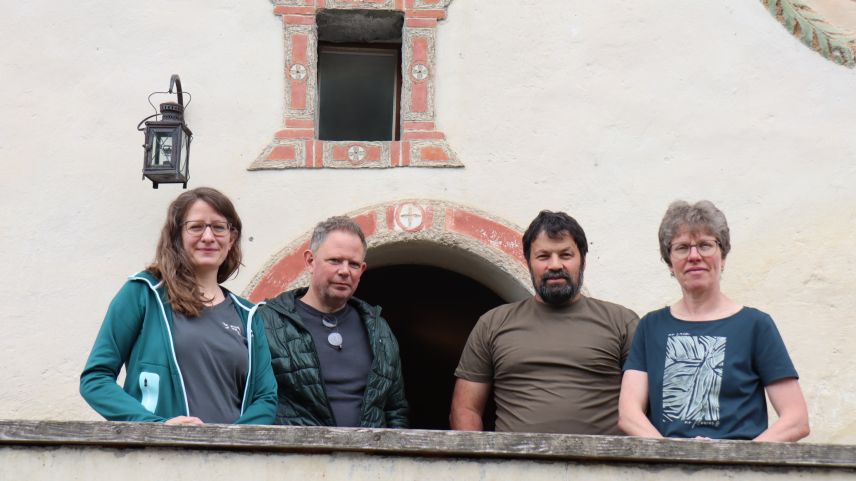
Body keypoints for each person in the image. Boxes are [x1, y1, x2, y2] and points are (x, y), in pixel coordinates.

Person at [80, 187, 277, 425]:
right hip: (159, 454)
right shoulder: (144, 293)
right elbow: (96, 379)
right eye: (196, 227)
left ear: (231, 238)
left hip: (228, 459)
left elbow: (265, 399)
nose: (208, 237)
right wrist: (154, 427)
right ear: (176, 236)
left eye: (218, 227)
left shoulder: (248, 316)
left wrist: (228, 442)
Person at [618, 200, 810, 441]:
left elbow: (796, 419)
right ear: (669, 263)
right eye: (682, 248)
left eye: (705, 245)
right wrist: (672, 454)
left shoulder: (755, 325)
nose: (694, 256)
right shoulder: (651, 326)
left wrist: (736, 459)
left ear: (723, 257)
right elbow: (629, 414)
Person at [450, 210, 639, 434]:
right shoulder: (493, 323)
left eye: (566, 255)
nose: (555, 265)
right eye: (543, 256)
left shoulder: (622, 322)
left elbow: (650, 404)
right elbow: (465, 410)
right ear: (528, 263)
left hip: (603, 467)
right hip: (515, 466)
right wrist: (480, 466)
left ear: (583, 262)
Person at [258, 216, 408, 427]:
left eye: (353, 264)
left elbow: (395, 410)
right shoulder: (267, 322)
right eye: (335, 261)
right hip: (296, 457)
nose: (345, 271)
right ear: (310, 261)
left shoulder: (379, 329)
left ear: (362, 270)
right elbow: (247, 397)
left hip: (367, 458)